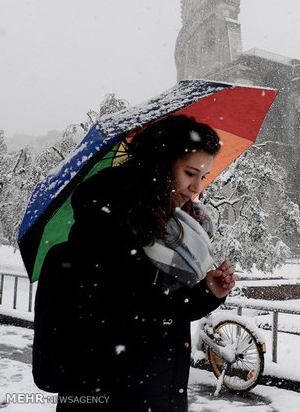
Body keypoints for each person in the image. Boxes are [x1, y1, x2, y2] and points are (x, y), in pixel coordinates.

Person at [45, 115, 237, 411]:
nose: (195, 187)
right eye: (190, 173)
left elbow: (162, 310)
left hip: (155, 388)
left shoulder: (173, 228)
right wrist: (198, 295)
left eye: (203, 176)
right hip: (112, 394)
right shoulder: (107, 223)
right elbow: (135, 309)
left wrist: (208, 292)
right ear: (162, 164)